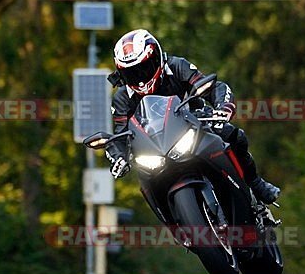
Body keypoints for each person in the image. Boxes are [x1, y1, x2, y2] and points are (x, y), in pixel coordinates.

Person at [104, 28, 280, 204]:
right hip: (154, 148)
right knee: (143, 178)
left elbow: (211, 87)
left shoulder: (176, 66)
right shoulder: (121, 98)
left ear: (157, 58)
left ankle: (256, 184)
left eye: (144, 68)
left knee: (234, 135)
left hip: (194, 125)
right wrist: (119, 157)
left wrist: (222, 108)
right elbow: (121, 133)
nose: (140, 78)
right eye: (132, 73)